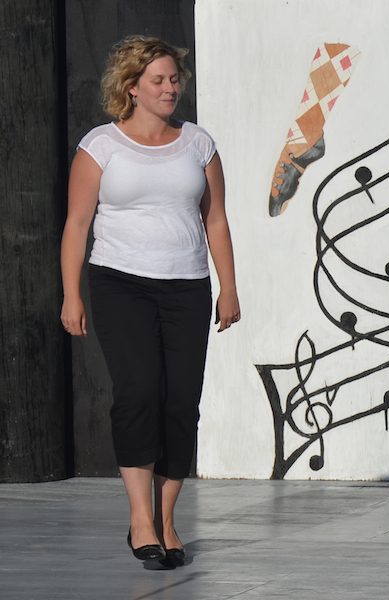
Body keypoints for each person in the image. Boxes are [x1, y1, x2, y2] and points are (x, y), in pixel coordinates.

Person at [60, 36, 240, 567]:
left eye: (173, 78)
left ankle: (166, 520)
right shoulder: (101, 146)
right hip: (120, 283)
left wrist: (228, 287)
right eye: (158, 80)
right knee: (138, 393)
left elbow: (216, 220)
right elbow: (76, 223)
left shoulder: (199, 144)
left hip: (186, 285)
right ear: (132, 87)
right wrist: (71, 294)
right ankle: (140, 518)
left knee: (181, 403)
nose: (169, 88)